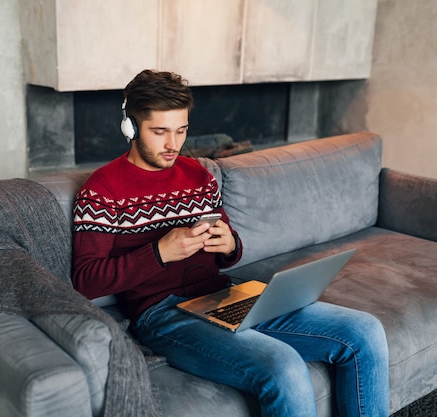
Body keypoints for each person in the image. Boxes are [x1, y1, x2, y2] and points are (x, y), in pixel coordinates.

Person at [72, 69, 389, 417]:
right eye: (160, 132)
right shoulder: (102, 190)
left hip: (224, 295)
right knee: (282, 365)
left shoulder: (198, 176)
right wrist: (160, 253)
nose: (172, 144)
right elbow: (86, 281)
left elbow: (230, 248)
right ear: (130, 127)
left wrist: (228, 245)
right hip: (161, 314)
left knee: (365, 331)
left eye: (181, 131)